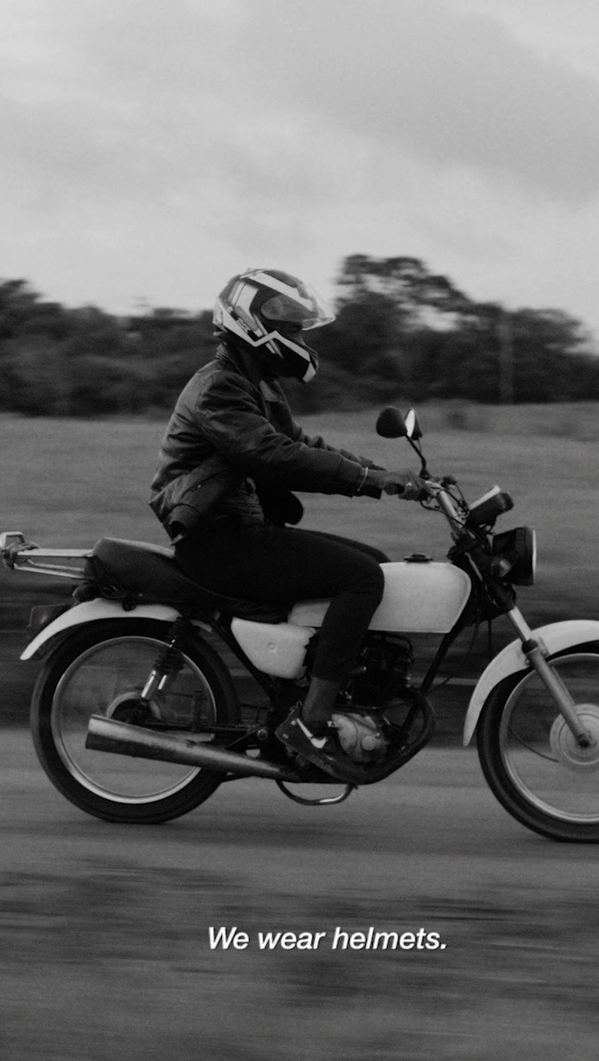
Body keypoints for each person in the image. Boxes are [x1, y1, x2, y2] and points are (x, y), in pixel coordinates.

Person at [149, 268, 422, 782]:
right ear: (254, 327)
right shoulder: (219, 389)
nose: (300, 341)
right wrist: (370, 480)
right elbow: (276, 456)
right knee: (361, 578)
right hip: (217, 542)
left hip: (240, 532)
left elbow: (306, 447)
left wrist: (383, 475)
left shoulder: (258, 386)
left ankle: (308, 695)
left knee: (376, 563)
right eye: (293, 331)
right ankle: (311, 723)